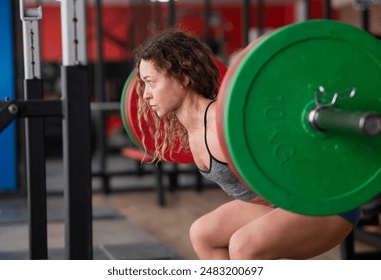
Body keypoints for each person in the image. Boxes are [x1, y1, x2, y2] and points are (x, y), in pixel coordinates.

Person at [133, 28, 360, 260]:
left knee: (244, 246)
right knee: (202, 234)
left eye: (151, 82)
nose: (146, 95)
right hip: (276, 205)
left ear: (183, 78)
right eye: (143, 84)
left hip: (322, 201)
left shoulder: (225, 123)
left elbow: (296, 158)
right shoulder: (191, 129)